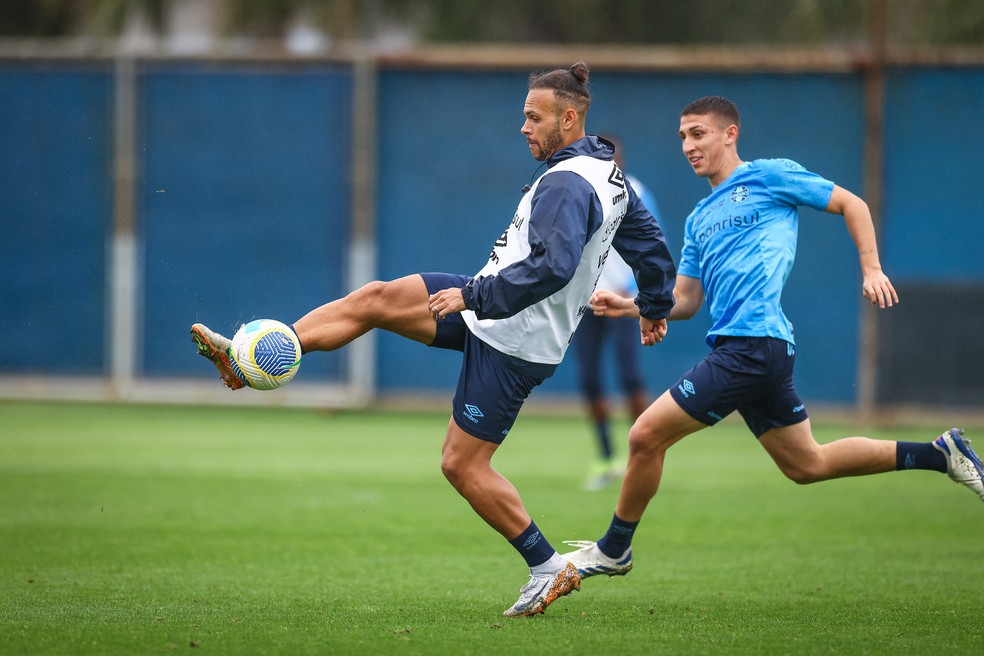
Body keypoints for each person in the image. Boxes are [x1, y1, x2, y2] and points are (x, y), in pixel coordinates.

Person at [190, 63, 676, 617]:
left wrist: (474, 295)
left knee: (461, 465)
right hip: (491, 311)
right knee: (376, 299)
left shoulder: (567, 183)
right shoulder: (607, 176)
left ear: (568, 119)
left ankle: (547, 566)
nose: (523, 127)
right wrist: (655, 306)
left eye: (534, 118)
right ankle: (255, 358)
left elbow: (553, 268)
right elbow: (651, 248)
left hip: (515, 339)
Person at [563, 95, 983, 581]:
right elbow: (687, 300)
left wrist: (871, 268)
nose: (688, 146)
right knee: (807, 464)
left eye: (698, 134)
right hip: (751, 349)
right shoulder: (698, 218)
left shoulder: (768, 176)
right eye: (682, 137)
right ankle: (940, 453)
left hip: (753, 345)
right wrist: (632, 306)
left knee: (643, 436)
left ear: (730, 134)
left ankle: (614, 549)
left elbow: (852, 203)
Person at [572, 134, 664, 491]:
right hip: (587, 304)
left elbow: (654, 242)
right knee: (589, 380)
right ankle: (606, 458)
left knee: (630, 378)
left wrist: (633, 287)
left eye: (614, 155)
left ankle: (645, 453)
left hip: (625, 303)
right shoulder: (578, 190)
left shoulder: (635, 191)